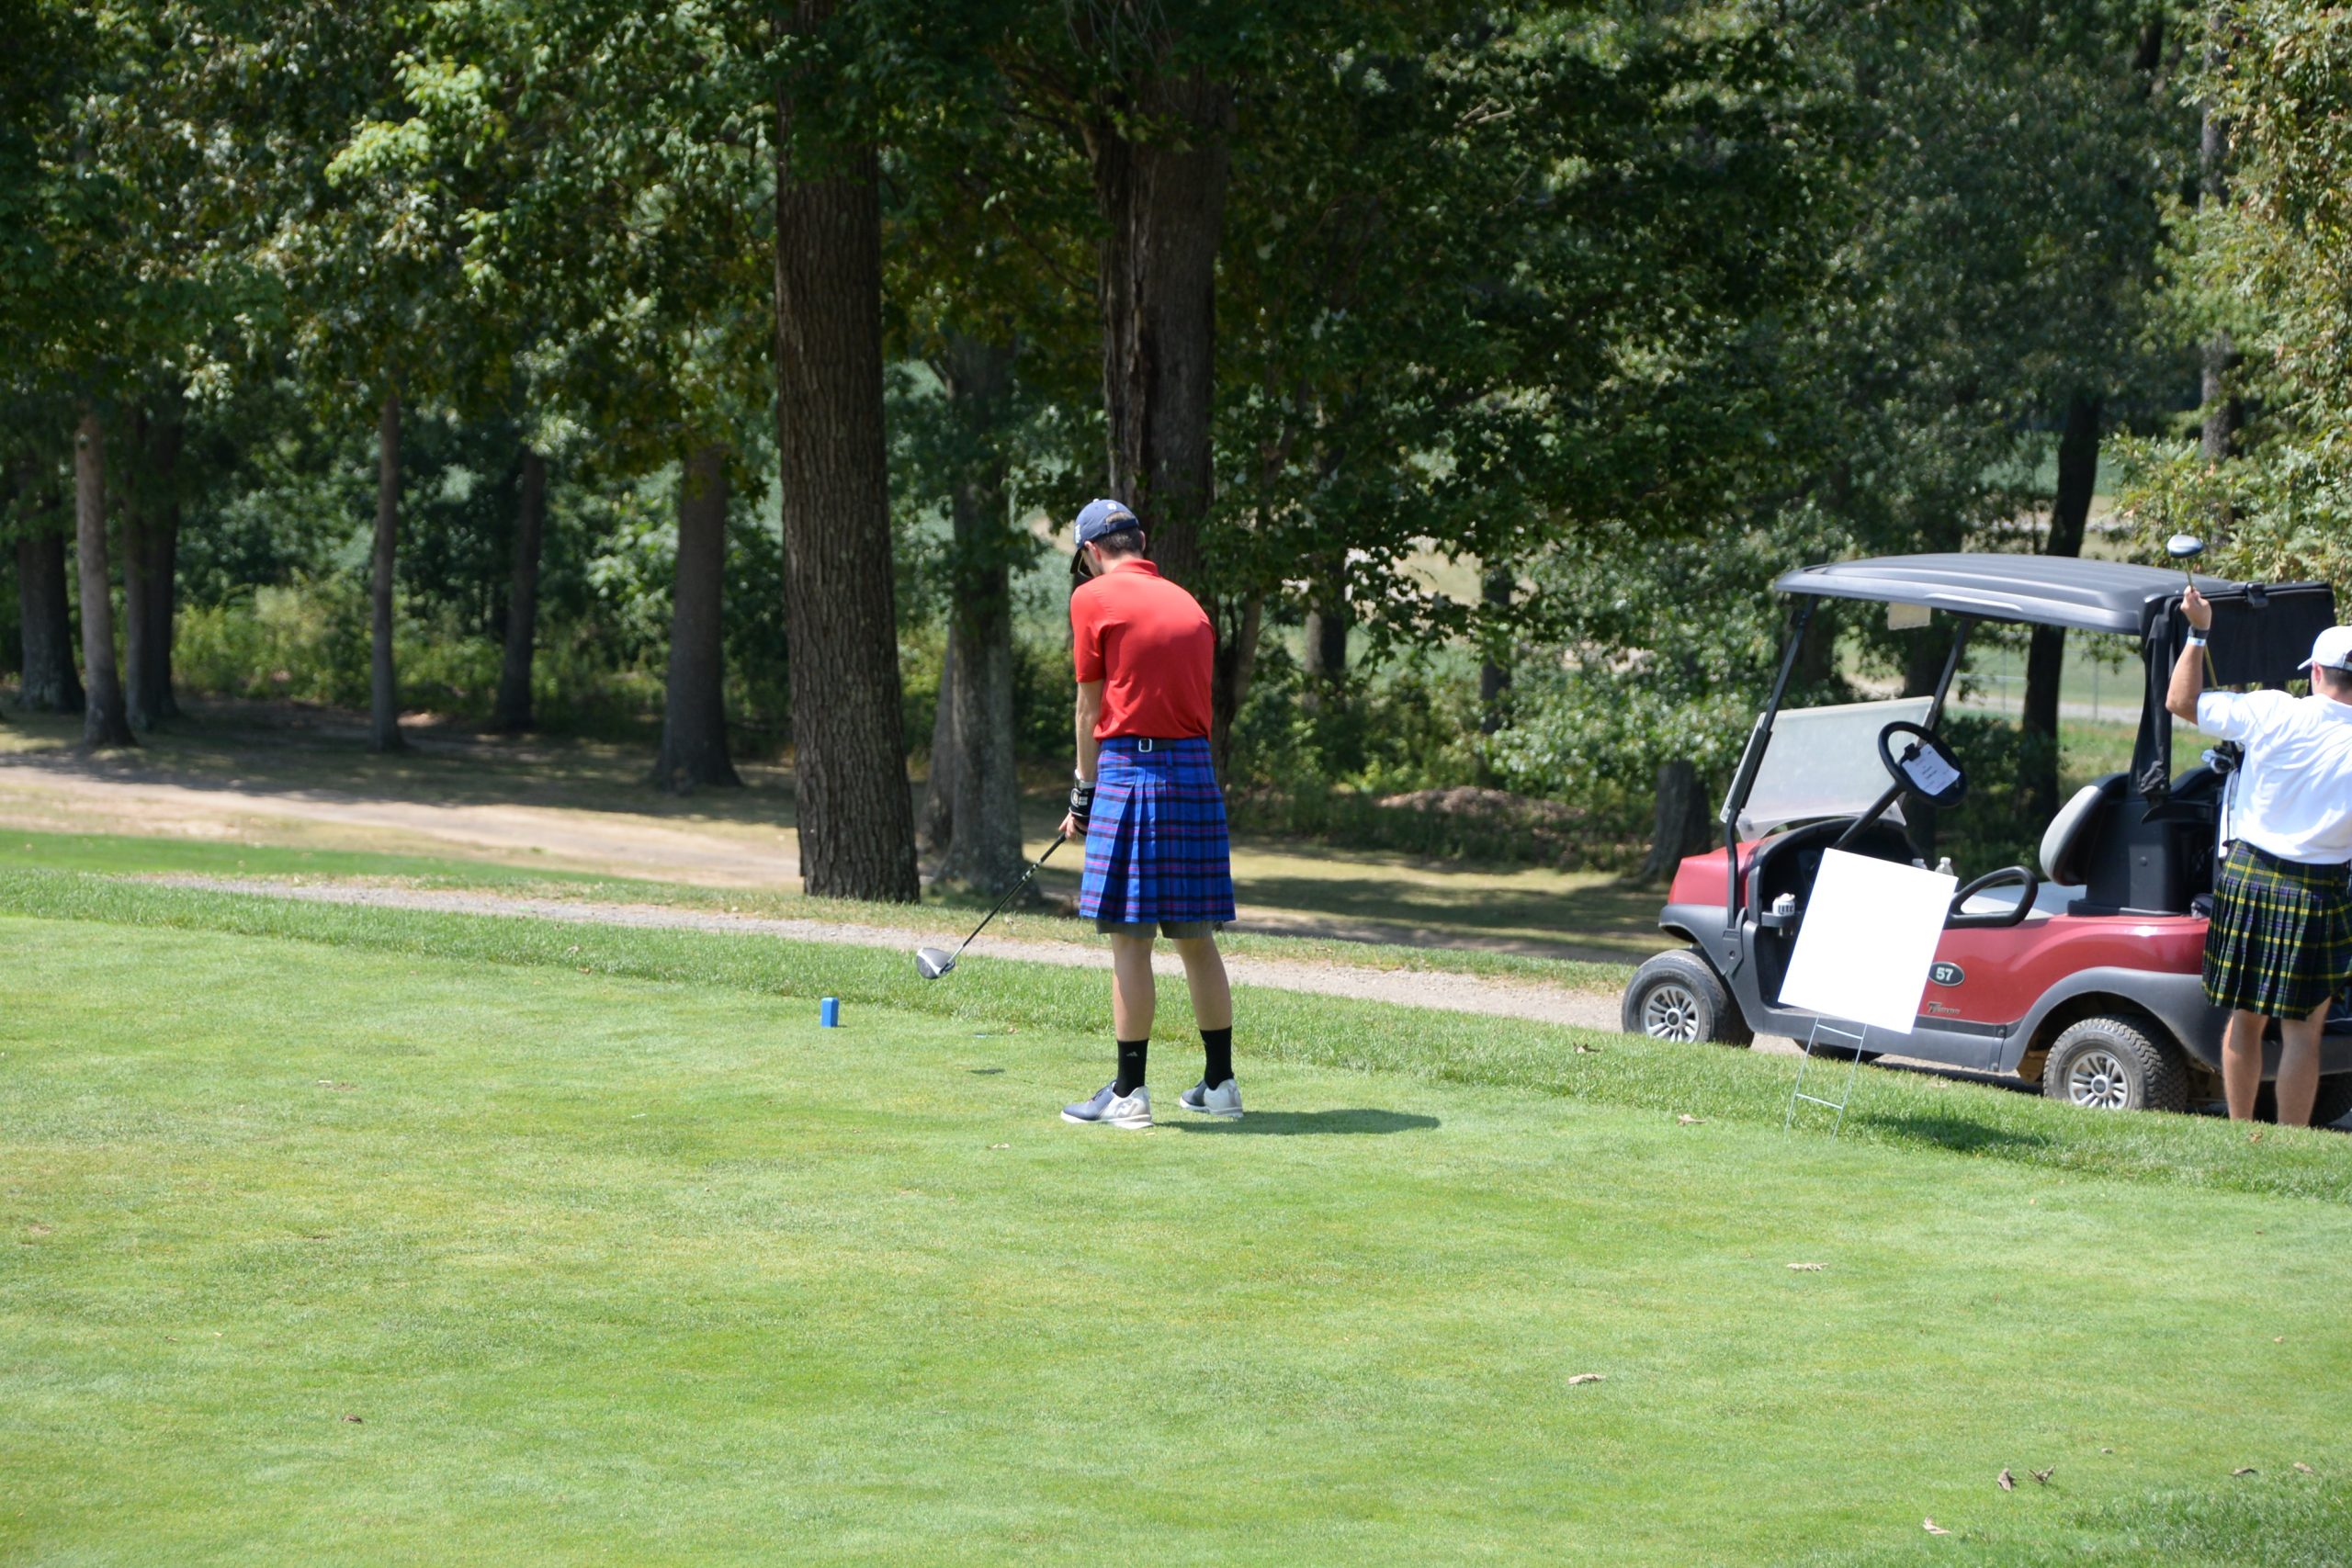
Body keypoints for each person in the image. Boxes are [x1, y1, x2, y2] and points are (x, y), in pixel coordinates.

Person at [1056, 498, 1240, 1130]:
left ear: (1091, 551)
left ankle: (1129, 1093)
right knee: (1195, 938)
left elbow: (1089, 707)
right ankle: (1220, 1084)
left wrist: (1082, 794)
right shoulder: (1189, 603)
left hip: (1130, 771)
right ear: (1138, 541)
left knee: (1130, 941)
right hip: (1194, 776)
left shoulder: (1093, 597)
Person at [2166, 592, 2352, 1125]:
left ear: (2316, 672)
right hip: (2321, 891)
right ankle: (2290, 1142)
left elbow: (2181, 701)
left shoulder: (2273, 710)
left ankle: (2241, 1133)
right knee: (2304, 1031)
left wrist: (2199, 633)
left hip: (2251, 877)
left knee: (2246, 1019)